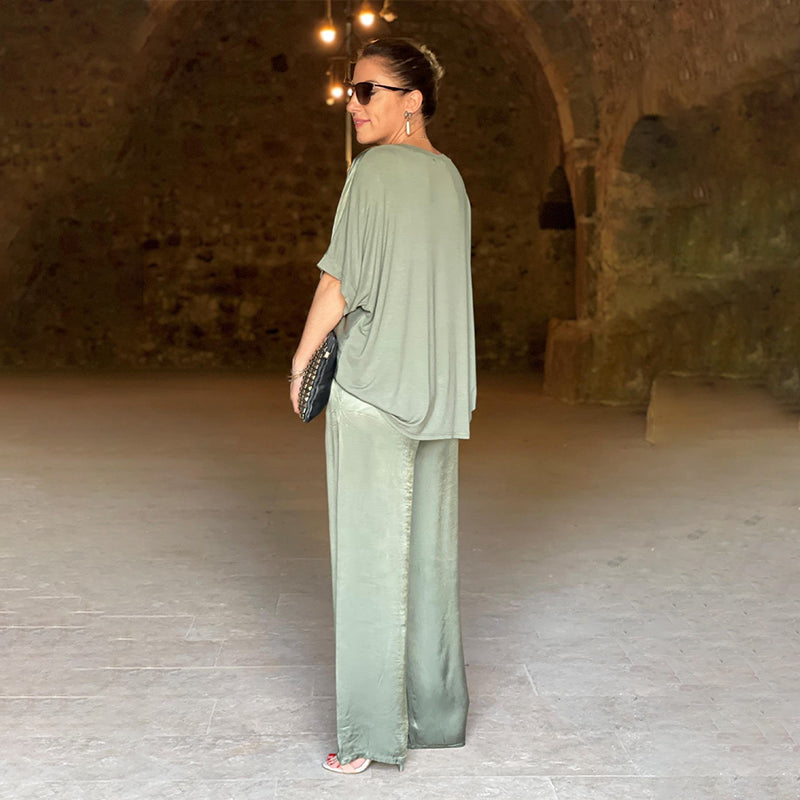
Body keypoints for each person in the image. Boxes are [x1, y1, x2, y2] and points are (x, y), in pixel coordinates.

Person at [289, 37, 476, 775]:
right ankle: (435, 716)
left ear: (412, 101)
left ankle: (369, 735)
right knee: (429, 562)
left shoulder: (371, 174)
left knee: (369, 567)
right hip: (436, 394)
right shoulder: (451, 178)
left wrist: (302, 359)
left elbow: (339, 283)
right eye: (351, 89)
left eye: (368, 90)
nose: (353, 103)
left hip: (372, 391)